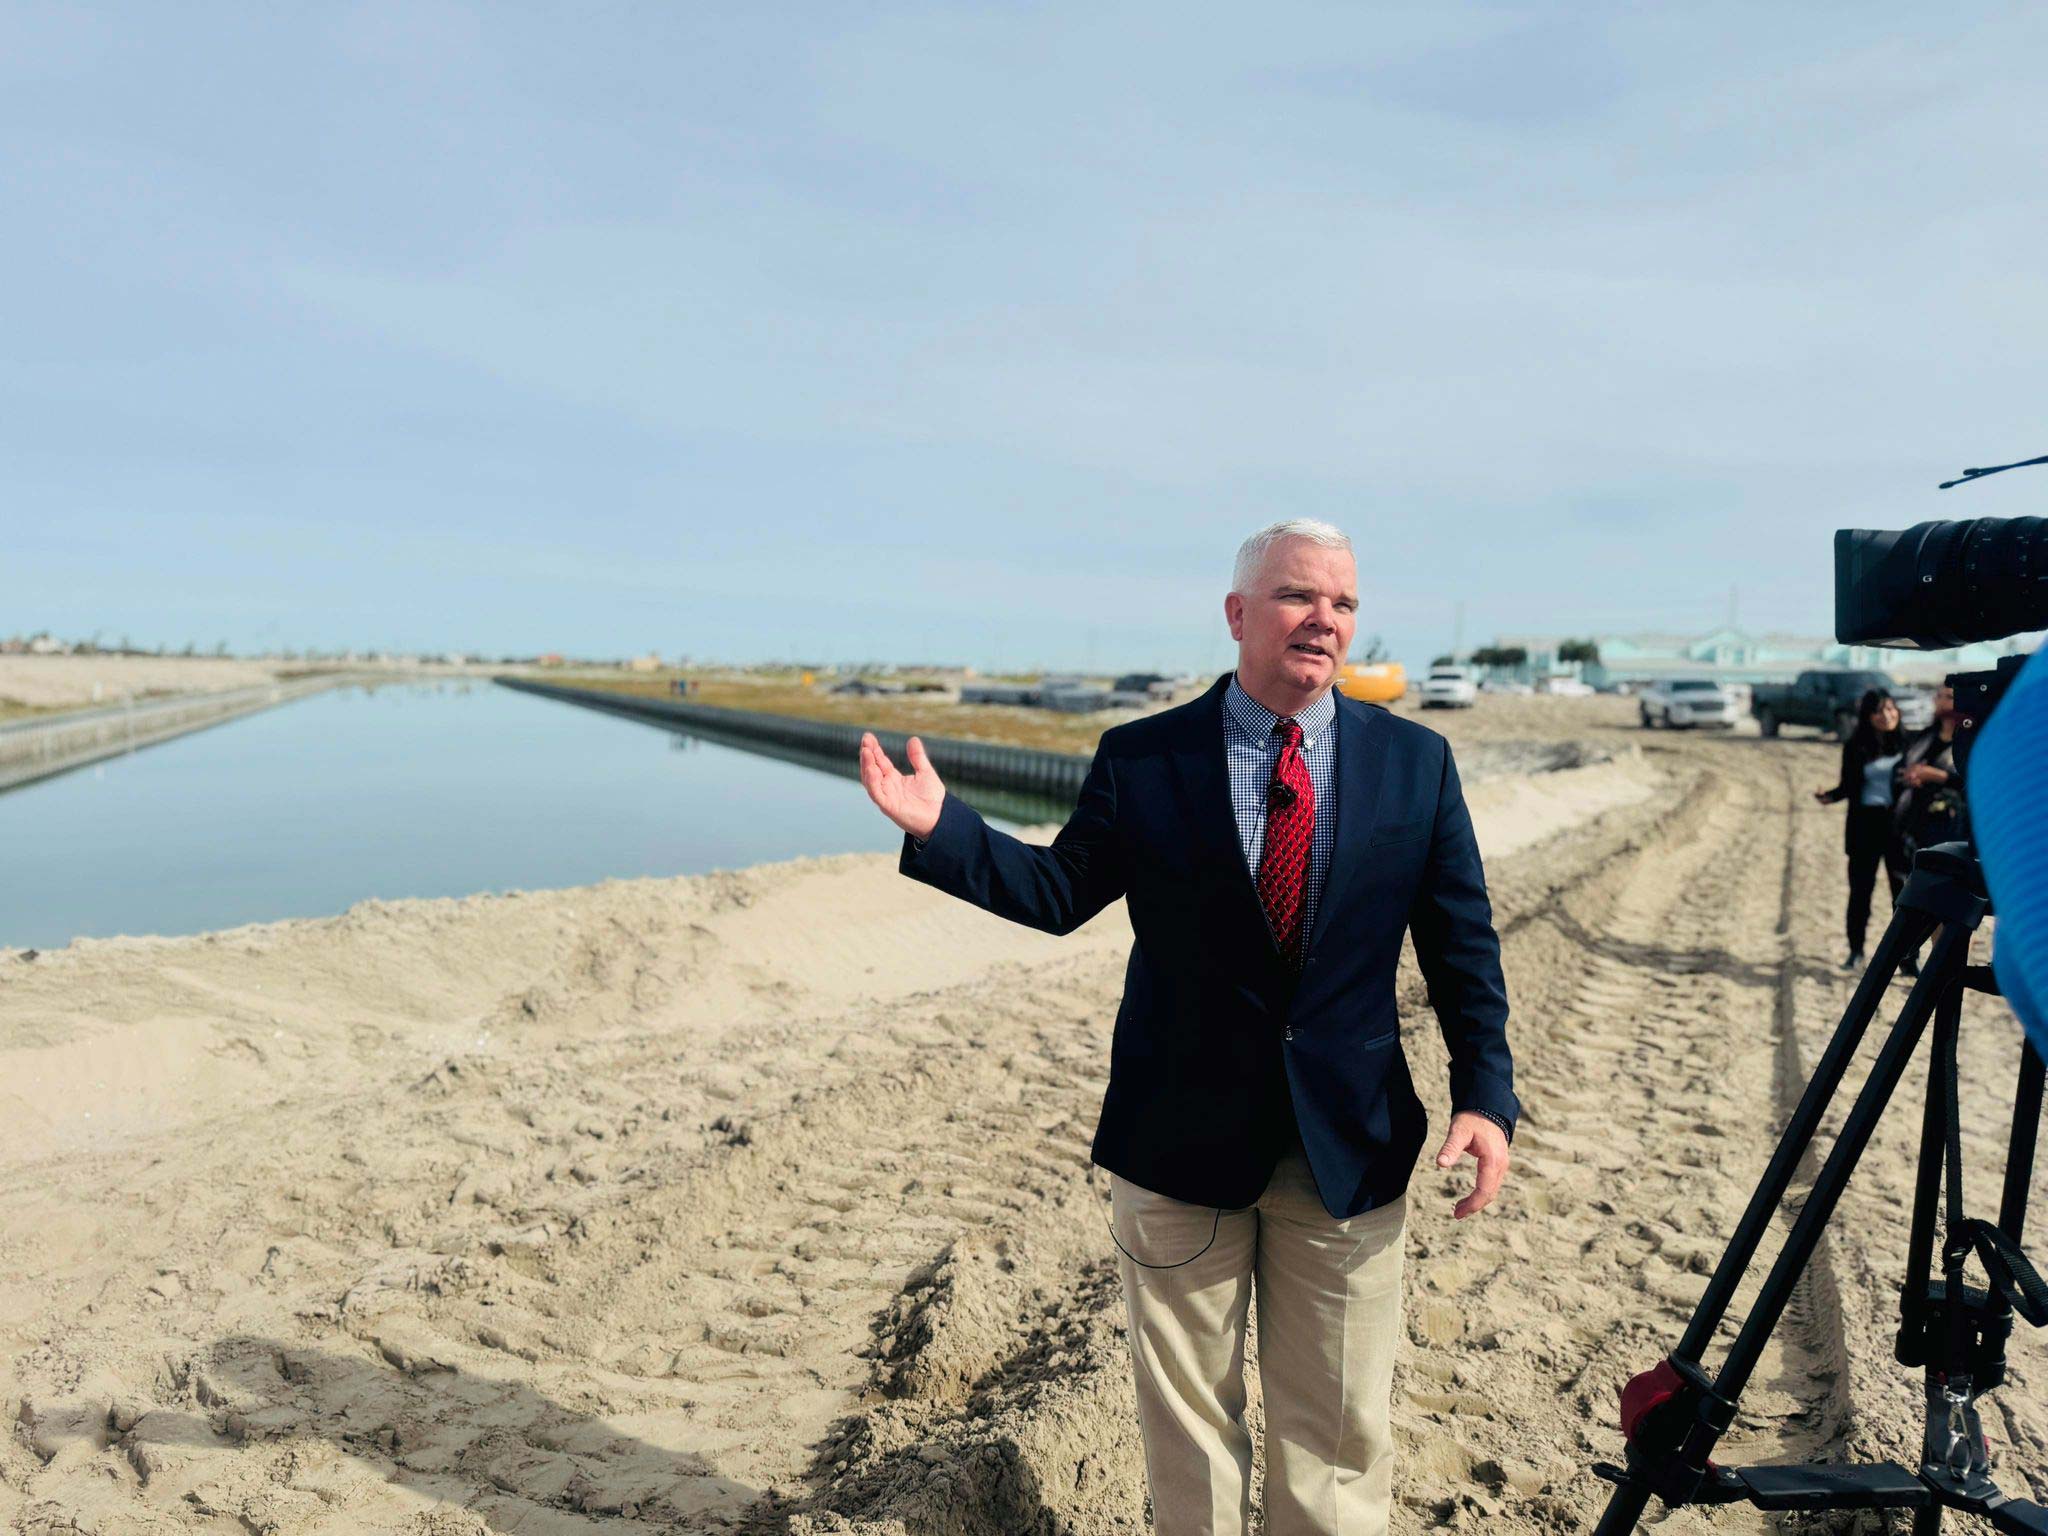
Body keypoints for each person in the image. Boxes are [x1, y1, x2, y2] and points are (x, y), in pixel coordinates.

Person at [856, 519, 1517, 1536]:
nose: (1323, 620)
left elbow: (1460, 943)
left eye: (1341, 603)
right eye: (1300, 597)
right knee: (1190, 1437)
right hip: (1176, 1144)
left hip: (1349, 1143)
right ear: (1237, 614)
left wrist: (1484, 1095)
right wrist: (946, 831)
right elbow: (1060, 888)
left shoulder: (1414, 765)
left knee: (1336, 1438)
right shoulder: (1144, 757)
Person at [1814, 688, 1905, 971]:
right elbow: (1848, 785)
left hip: (1900, 828)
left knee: (1903, 898)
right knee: (1860, 894)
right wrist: (1829, 796)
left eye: (1890, 709)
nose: (1886, 715)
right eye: (1878, 711)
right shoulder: (1855, 746)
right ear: (1867, 716)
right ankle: (1855, 951)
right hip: (1865, 827)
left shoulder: (1911, 744)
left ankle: (1907, 958)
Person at [1890, 683, 1966, 976]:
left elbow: (1970, 782)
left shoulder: (1968, 742)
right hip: (1917, 826)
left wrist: (1935, 775)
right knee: (1925, 902)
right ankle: (1921, 962)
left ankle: (1945, 966)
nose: (1939, 701)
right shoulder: (1925, 737)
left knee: (1949, 905)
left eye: (1947, 695)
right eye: (1938, 695)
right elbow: (1904, 767)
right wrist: (1912, 776)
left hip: (1953, 828)